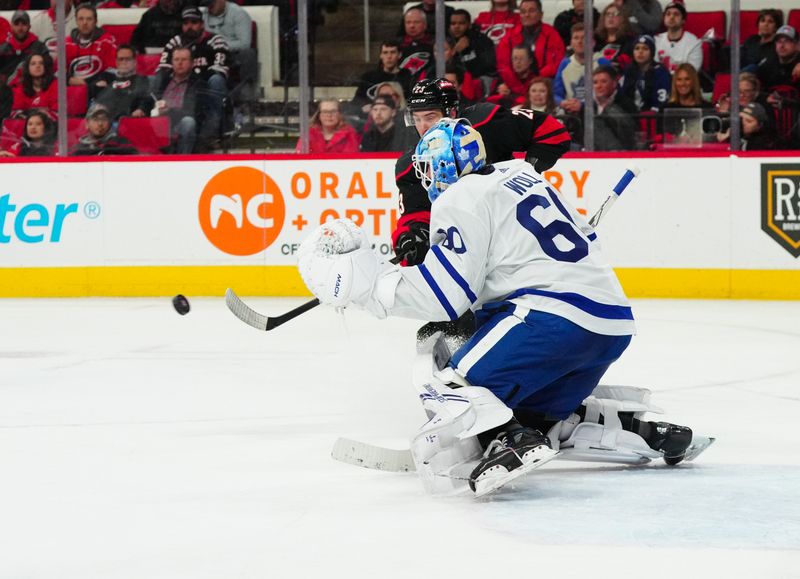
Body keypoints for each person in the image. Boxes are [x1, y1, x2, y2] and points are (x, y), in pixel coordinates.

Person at [297, 119, 693, 496]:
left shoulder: (459, 197)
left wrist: (368, 288)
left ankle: (511, 441)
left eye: (428, 169)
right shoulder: (524, 176)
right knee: (529, 411)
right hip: (611, 326)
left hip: (551, 318)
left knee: (450, 385)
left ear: (443, 167)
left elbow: (445, 296)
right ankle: (639, 430)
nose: (426, 179)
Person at [393, 77, 571, 269]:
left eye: (430, 117)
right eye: (417, 119)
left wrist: (528, 172)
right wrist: (411, 238)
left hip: (515, 231)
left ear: (452, 113)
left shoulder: (485, 123)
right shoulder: (412, 165)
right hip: (472, 247)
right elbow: (414, 216)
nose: (423, 128)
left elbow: (552, 131)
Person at [157, 7, 229, 149]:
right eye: (186, 23)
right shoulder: (175, 41)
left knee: (216, 81)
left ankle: (210, 134)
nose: (189, 26)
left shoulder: (215, 40)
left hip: (204, 87)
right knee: (156, 80)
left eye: (194, 22)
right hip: (182, 83)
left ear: (202, 24)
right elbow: (163, 68)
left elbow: (219, 69)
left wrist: (194, 76)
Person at [152, 46, 205, 154]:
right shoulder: (163, 79)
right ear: (171, 62)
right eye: (176, 60)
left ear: (191, 63)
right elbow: (148, 98)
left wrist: (169, 111)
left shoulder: (198, 83)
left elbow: (192, 111)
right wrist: (141, 108)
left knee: (188, 122)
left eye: (184, 60)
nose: (179, 63)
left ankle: (182, 160)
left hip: (177, 124)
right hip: (157, 121)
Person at [496, 0, 565, 80]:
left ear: (541, 14)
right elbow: (503, 65)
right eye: (523, 11)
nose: (527, 15)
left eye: (531, 11)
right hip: (515, 82)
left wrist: (535, 79)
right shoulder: (510, 36)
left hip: (543, 82)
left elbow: (556, 63)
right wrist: (515, 84)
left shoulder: (551, 34)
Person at [203, 0, 257, 99]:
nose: (209, 7)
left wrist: (221, 45)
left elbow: (245, 43)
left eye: (212, 3)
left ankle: (247, 97)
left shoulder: (239, 14)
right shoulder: (204, 14)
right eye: (207, 4)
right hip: (211, 53)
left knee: (249, 54)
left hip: (233, 54)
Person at [65, 3, 117, 92]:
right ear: (76, 21)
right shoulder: (66, 43)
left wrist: (91, 84)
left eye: (89, 19)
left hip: (99, 89)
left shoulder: (107, 41)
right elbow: (57, 72)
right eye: (81, 19)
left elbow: (113, 69)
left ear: (95, 21)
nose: (85, 23)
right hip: (73, 90)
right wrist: (68, 79)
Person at [93, 45, 154, 121]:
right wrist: (96, 86)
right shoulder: (106, 76)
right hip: (104, 120)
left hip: (127, 120)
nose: (124, 62)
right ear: (116, 61)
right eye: (121, 59)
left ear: (134, 62)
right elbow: (94, 96)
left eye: (128, 59)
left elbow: (146, 98)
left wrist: (141, 109)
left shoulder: (142, 80)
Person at [554, 23, 604, 113]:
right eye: (576, 38)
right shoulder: (565, 64)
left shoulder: (602, 62)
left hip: (597, 114)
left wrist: (582, 105)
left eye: (584, 38)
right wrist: (562, 103)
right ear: (571, 43)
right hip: (571, 114)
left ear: (593, 42)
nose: (580, 41)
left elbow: (609, 95)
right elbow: (556, 94)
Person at [585, 65, 638, 150]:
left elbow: (630, 134)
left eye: (603, 81)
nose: (599, 86)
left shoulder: (626, 104)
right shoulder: (588, 106)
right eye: (595, 82)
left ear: (614, 84)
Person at [352, 41, 412, 113]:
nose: (389, 56)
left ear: (399, 55)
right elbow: (355, 104)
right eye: (385, 52)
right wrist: (362, 109)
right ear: (381, 55)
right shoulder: (369, 77)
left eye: (392, 52)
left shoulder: (407, 77)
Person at [619, 34, 671, 112]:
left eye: (645, 49)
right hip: (630, 115)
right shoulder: (629, 71)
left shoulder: (661, 72)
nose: (640, 52)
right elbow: (621, 95)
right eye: (637, 48)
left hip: (652, 116)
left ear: (652, 52)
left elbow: (661, 99)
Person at [448, 9, 497, 87]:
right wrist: (455, 52)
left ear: (469, 24)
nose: (456, 26)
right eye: (453, 23)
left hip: (478, 84)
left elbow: (489, 68)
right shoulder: (445, 42)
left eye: (461, 23)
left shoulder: (482, 41)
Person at [0, 10, 48, 86]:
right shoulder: (3, 49)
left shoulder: (40, 48)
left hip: (31, 89)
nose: (20, 28)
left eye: (24, 24)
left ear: (29, 26)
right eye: (17, 24)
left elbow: (47, 71)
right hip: (6, 91)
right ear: (11, 27)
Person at [295, 99, 360, 154]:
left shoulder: (349, 134)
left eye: (333, 111)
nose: (329, 115)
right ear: (319, 115)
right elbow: (301, 156)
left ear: (340, 114)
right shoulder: (309, 134)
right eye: (325, 111)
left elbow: (351, 159)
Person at [69, 104, 138, 155]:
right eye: (95, 119)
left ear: (110, 123)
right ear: (87, 124)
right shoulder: (80, 148)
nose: (100, 124)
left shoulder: (121, 143)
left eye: (104, 119)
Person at [654, 1, 702, 74]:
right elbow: (653, 69)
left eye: (676, 14)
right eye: (668, 14)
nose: (671, 17)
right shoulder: (656, 40)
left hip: (683, 84)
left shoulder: (694, 43)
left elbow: (692, 72)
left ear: (683, 20)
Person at [10, 52, 58, 119]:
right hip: (27, 125)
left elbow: (57, 112)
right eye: (33, 64)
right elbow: (15, 111)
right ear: (27, 68)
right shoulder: (20, 88)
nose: (38, 66)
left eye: (41, 63)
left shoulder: (55, 85)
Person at [594, 2, 635, 72]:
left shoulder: (630, 41)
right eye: (607, 14)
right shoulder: (595, 39)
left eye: (615, 14)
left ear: (623, 19)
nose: (611, 17)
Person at [398, 7, 434, 84]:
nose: (412, 26)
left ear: (425, 25)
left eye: (416, 22)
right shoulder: (397, 44)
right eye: (408, 22)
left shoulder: (434, 44)